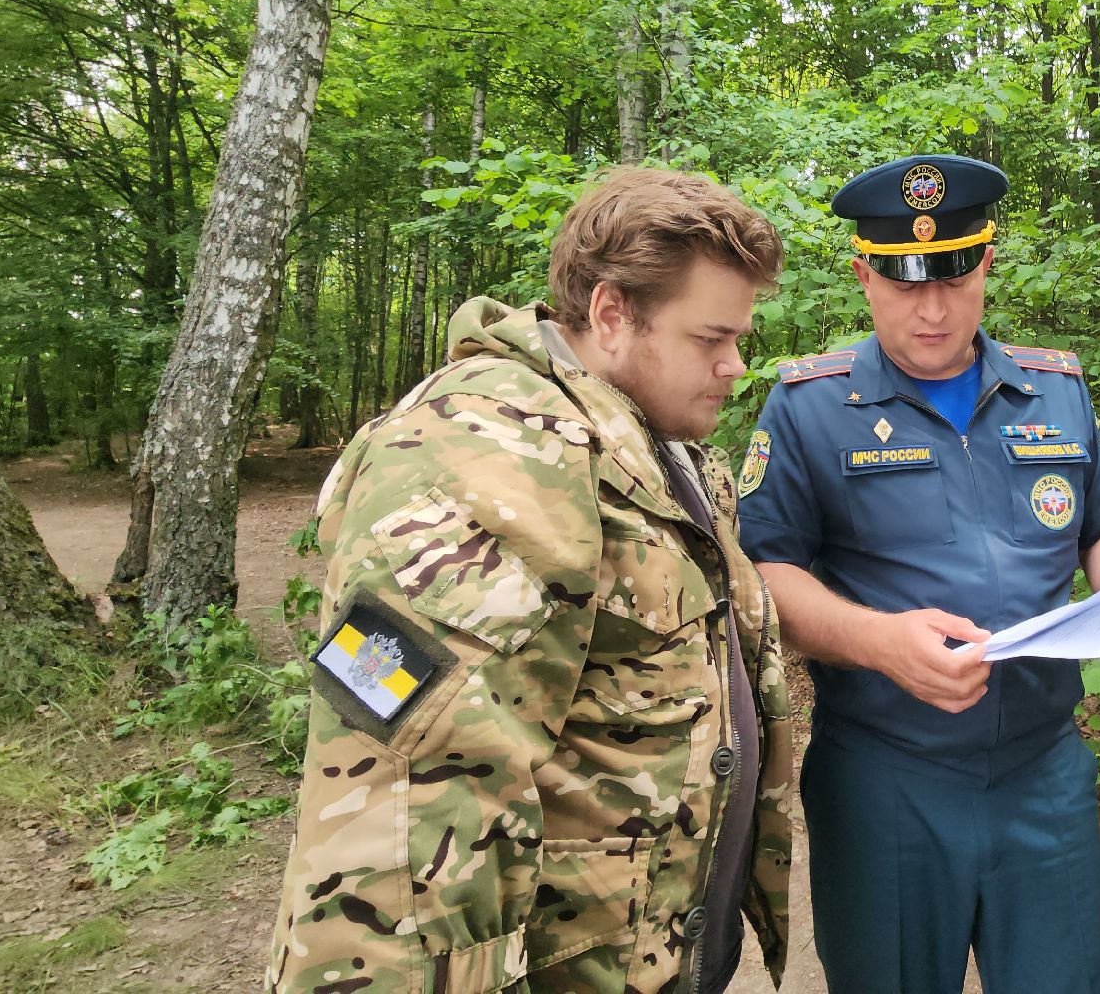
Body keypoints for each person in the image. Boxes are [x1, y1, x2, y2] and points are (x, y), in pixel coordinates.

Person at [268, 167, 793, 994]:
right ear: (613, 314)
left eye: (739, 340)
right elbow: (405, 801)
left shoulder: (641, 440)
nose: (734, 367)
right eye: (710, 339)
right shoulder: (490, 452)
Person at [736, 154, 1100, 993]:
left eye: (955, 278)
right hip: (886, 782)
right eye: (902, 283)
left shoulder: (1056, 391)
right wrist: (876, 640)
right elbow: (761, 570)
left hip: (1044, 777)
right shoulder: (811, 406)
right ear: (864, 276)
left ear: (987, 264)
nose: (932, 308)